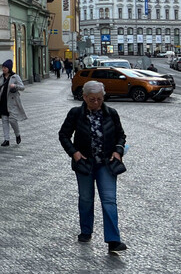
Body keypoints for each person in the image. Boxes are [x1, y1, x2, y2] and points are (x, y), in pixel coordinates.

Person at [59, 80, 127, 254]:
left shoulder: (111, 113)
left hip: (106, 164)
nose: (96, 103)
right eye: (92, 99)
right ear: (84, 97)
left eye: (99, 99)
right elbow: (64, 135)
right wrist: (74, 153)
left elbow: (121, 135)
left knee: (109, 201)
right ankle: (86, 230)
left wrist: (118, 151)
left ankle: (113, 240)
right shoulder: (76, 114)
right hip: (85, 163)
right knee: (86, 199)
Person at [0, 59, 27, 146]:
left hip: (12, 102)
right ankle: (6, 139)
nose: (3, 69)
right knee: (4, 120)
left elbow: (22, 87)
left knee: (12, 120)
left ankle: (17, 134)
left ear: (9, 68)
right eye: (3, 67)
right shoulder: (1, 77)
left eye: (5, 67)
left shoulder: (15, 77)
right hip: (3, 101)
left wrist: (15, 86)